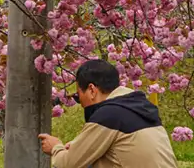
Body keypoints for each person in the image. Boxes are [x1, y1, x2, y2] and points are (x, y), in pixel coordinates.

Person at [38, 59, 178, 168]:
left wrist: (55, 148)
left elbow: (68, 164)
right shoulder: (137, 106)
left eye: (79, 94)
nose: (80, 101)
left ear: (92, 90)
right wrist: (78, 146)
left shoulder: (108, 115)